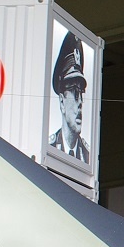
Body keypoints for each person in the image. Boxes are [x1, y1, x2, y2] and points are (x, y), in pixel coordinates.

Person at [49, 32, 89, 162]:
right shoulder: (50, 147)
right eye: (74, 93)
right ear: (62, 102)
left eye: (81, 92)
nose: (80, 102)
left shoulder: (87, 156)